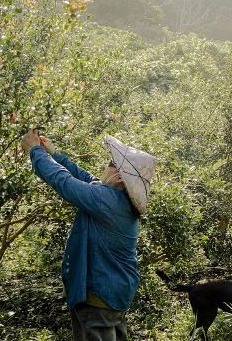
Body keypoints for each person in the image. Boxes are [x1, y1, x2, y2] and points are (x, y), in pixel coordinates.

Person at [21, 130, 157, 341]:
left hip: (99, 295)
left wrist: (36, 151)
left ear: (119, 176)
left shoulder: (105, 200)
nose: (106, 165)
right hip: (115, 291)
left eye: (111, 163)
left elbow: (64, 182)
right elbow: (86, 179)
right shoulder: (117, 200)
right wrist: (55, 154)